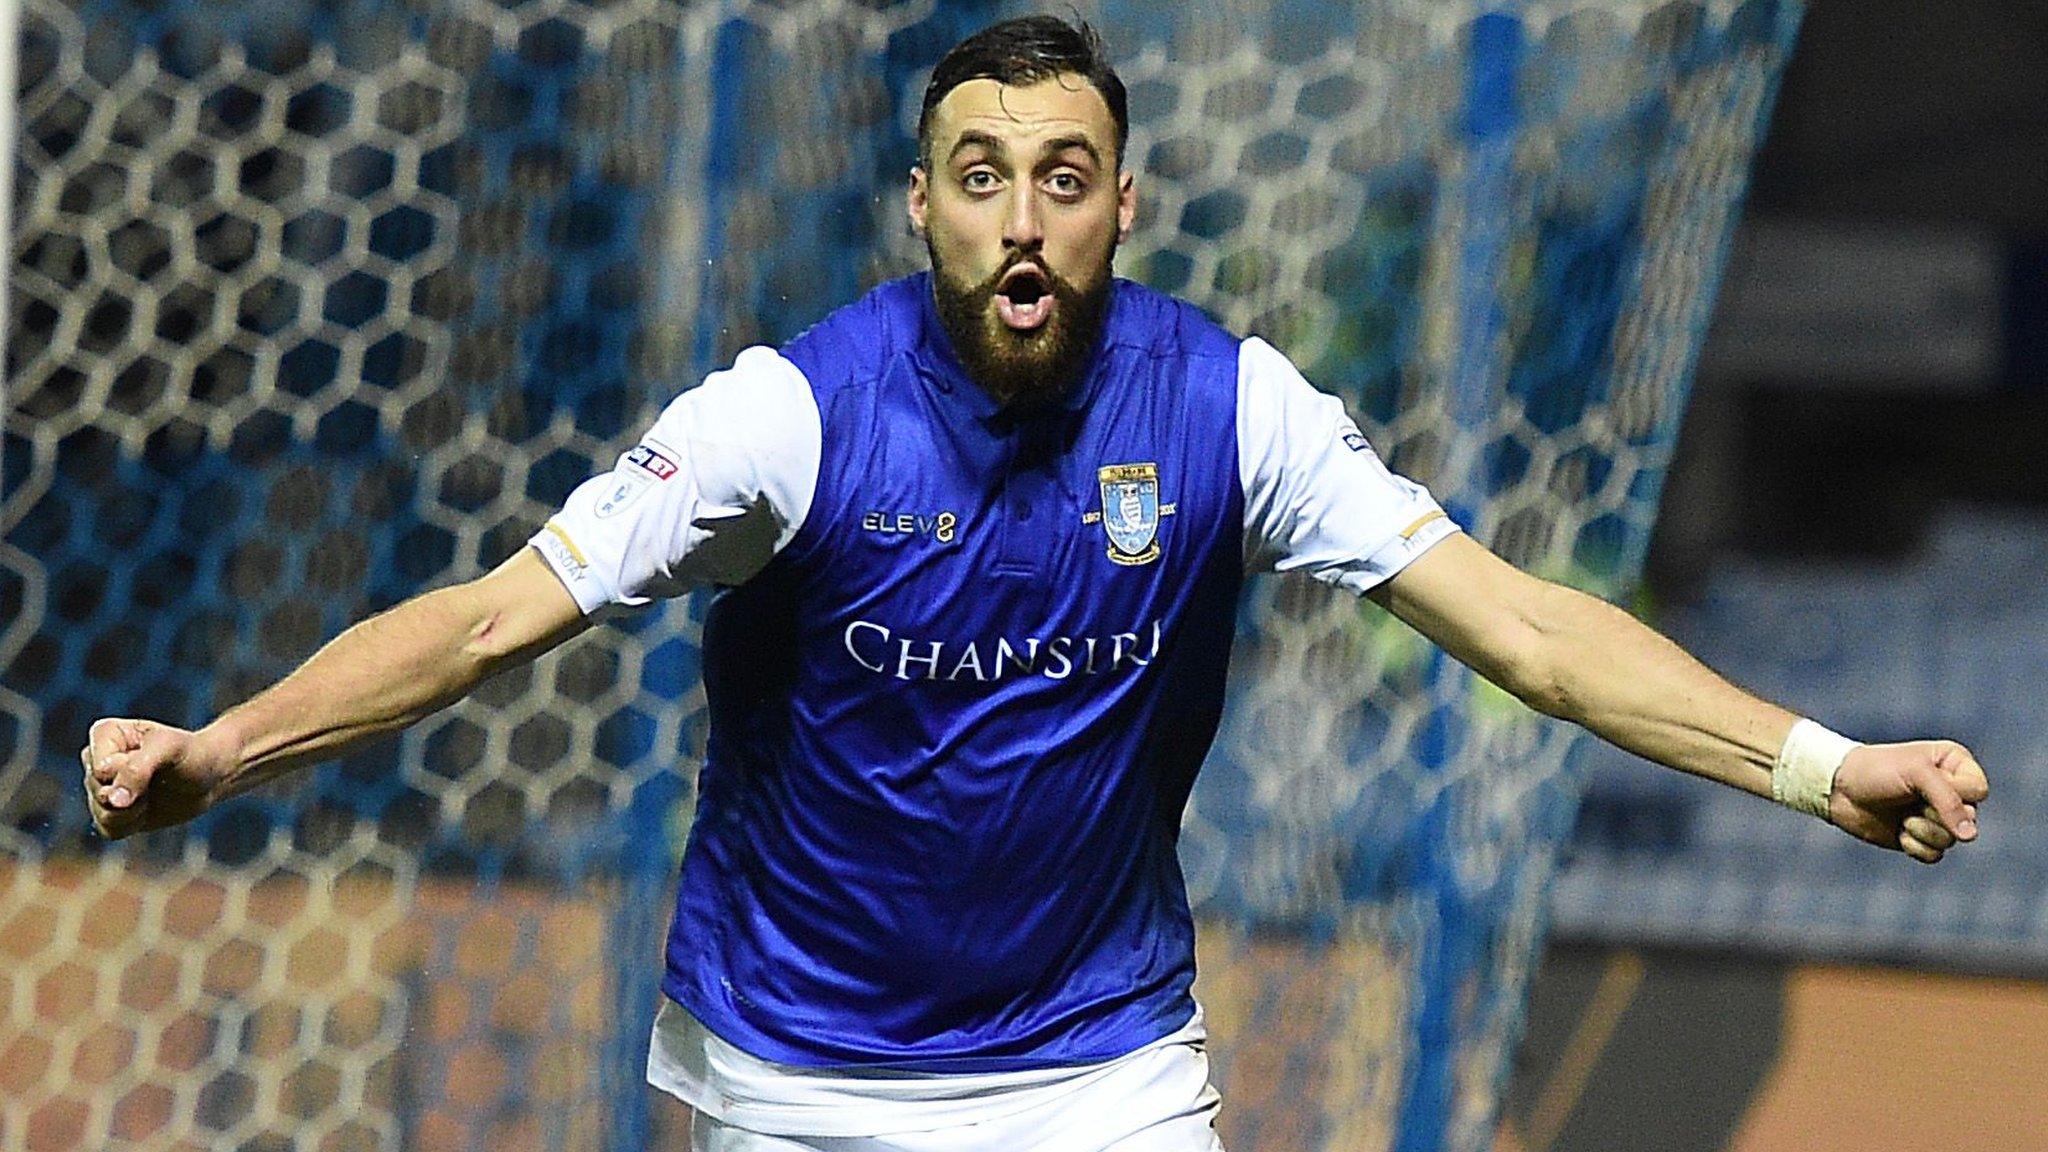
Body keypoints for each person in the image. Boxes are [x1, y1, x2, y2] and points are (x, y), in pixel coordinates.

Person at [82, 15, 1988, 1152]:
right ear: (918, 205)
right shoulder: (784, 419)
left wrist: (1825, 767)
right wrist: (230, 751)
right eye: (978, 175)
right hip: (790, 1066)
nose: (1021, 217)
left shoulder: (1231, 410)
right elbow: (497, 616)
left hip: (1098, 1071)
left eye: (1062, 176)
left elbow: (1533, 635)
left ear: (1126, 204)